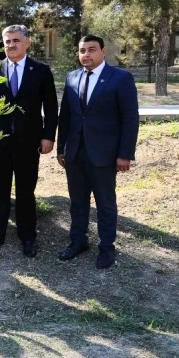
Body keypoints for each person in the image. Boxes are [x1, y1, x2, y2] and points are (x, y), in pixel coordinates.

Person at [57, 35, 139, 269]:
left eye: (91, 50)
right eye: (82, 50)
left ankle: (106, 247)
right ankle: (78, 241)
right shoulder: (72, 77)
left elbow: (130, 118)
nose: (86, 55)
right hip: (75, 153)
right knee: (77, 201)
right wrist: (62, 147)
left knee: (105, 202)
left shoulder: (120, 78)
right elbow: (66, 116)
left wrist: (125, 154)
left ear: (103, 51)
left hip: (104, 154)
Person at [0, 25, 58, 258]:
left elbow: (51, 108)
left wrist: (48, 136)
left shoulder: (41, 71)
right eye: (7, 41)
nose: (11, 45)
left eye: (16, 41)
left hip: (28, 143)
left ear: (27, 43)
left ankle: (27, 236)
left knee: (26, 191)